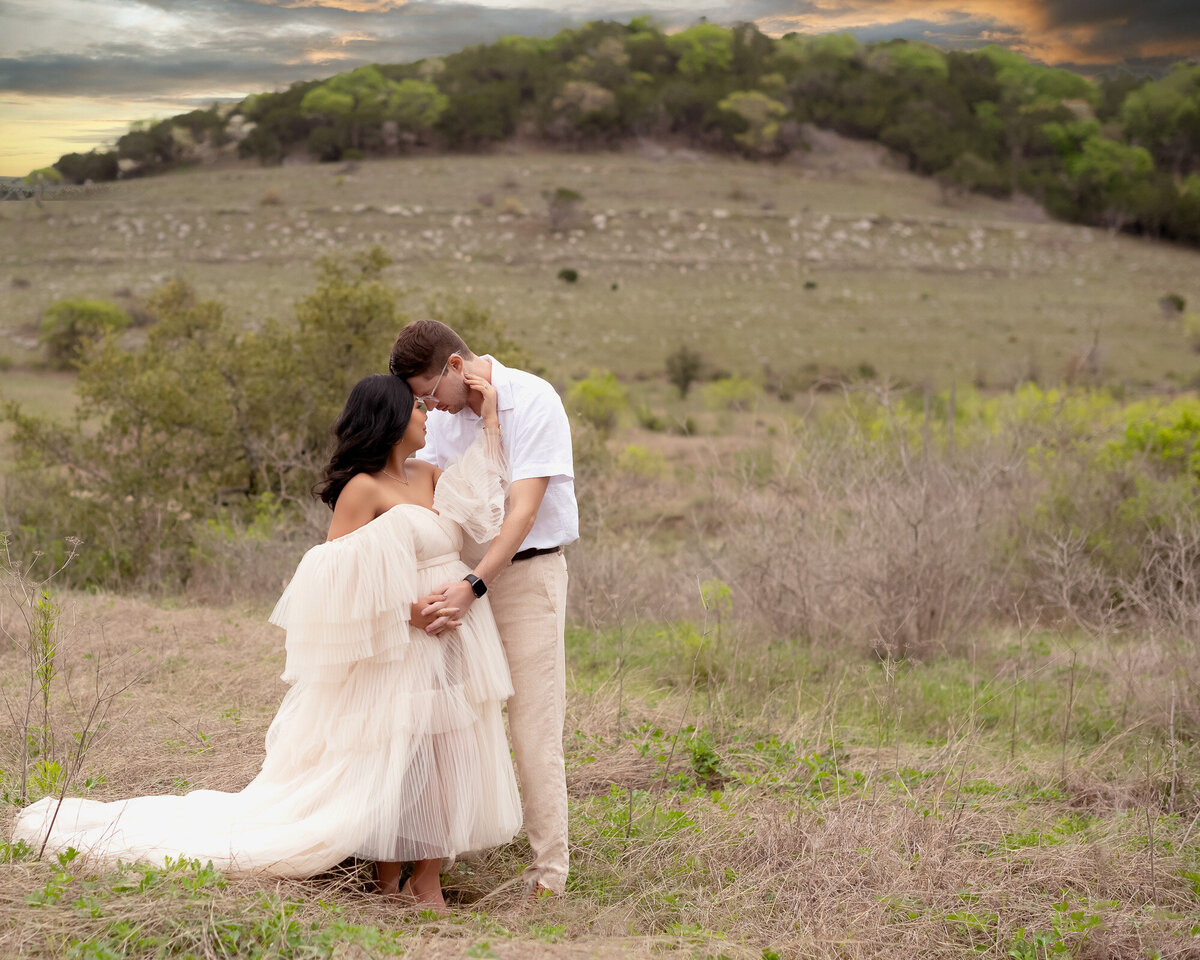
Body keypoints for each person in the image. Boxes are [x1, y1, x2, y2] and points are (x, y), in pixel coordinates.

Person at [12, 374, 521, 912]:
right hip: (398, 643)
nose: (427, 416)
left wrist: (489, 419)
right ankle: (389, 879)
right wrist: (406, 614)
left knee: (444, 753)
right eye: (417, 409)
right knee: (394, 752)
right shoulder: (363, 490)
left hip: (452, 642)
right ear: (393, 422)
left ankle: (427, 879)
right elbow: (332, 581)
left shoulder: (429, 474)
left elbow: (486, 501)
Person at [389, 320, 577, 901]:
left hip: (523, 578)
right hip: (456, 581)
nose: (427, 406)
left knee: (532, 725)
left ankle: (549, 876)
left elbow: (521, 511)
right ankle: (430, 863)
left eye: (428, 391)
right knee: (450, 722)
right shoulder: (445, 422)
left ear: (453, 365)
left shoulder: (533, 397)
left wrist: (475, 584)